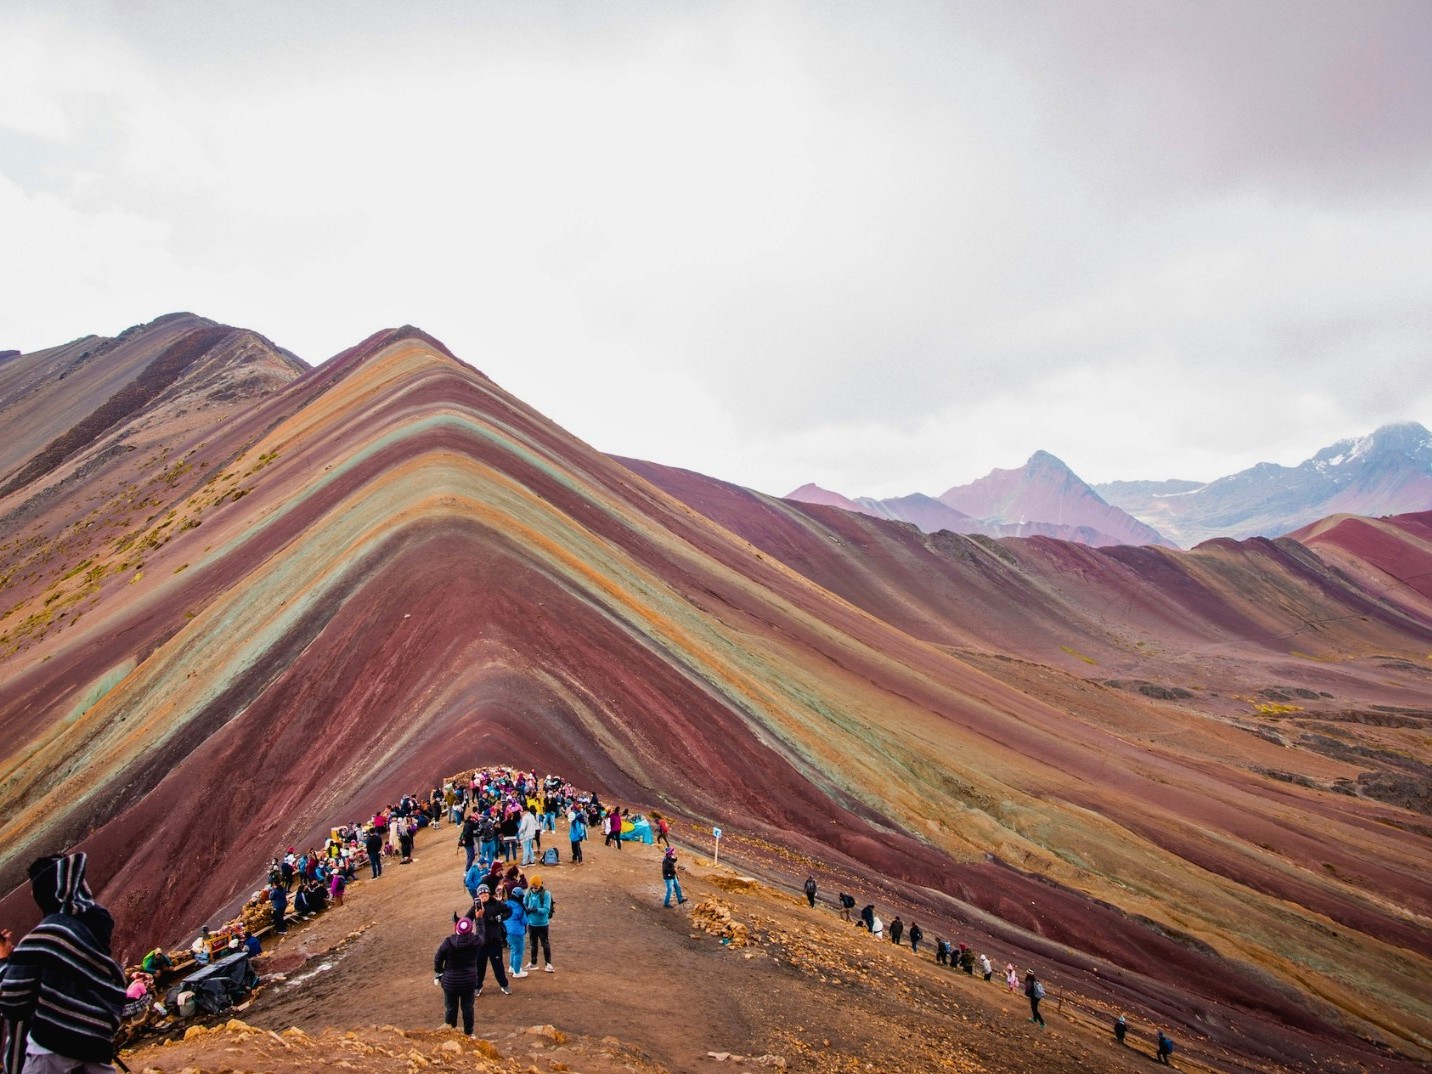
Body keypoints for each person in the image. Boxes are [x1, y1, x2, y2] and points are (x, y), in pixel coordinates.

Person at [0, 853, 128, 1074]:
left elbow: (13, 999)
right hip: (95, 1038)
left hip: (52, 1045)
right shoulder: (94, 923)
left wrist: (4, 959)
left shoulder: (46, 936)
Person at [434, 916, 482, 1035]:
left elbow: (438, 959)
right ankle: (469, 1033)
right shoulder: (475, 942)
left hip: (450, 982)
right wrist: (480, 919)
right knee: (467, 1008)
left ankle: (450, 1032)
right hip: (468, 982)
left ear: (456, 928)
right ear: (471, 929)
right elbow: (482, 935)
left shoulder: (448, 942)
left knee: (451, 1008)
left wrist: (439, 971)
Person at [470, 886, 511, 996]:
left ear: (489, 893)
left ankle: (504, 984)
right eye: (481, 894)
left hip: (494, 941)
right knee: (479, 966)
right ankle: (477, 986)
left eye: (485, 893)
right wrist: (458, 920)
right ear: (478, 895)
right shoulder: (476, 906)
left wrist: (500, 917)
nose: (483, 896)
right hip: (481, 943)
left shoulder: (496, 903)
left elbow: (508, 911)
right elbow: (467, 918)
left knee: (498, 965)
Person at [524, 875, 555, 971]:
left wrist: (536, 910)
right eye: (533, 887)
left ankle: (548, 964)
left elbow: (546, 909)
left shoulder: (546, 894)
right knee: (533, 945)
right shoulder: (528, 892)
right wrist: (527, 910)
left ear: (540, 885)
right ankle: (533, 963)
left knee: (545, 944)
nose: (534, 889)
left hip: (542, 924)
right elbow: (524, 903)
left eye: (536, 887)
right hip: (531, 924)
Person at [504, 887, 529, 978]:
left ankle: (512, 967)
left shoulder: (506, 904)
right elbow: (525, 921)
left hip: (507, 932)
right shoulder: (520, 907)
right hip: (517, 933)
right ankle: (517, 972)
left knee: (513, 949)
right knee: (518, 951)